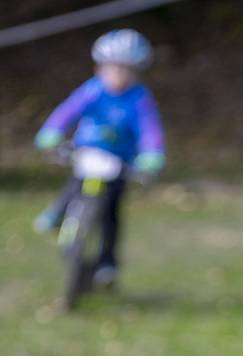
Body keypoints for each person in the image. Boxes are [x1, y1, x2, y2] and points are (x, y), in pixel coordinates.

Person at [33, 29, 165, 288]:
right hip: (88, 153)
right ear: (99, 68)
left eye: (126, 70)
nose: (119, 75)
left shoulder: (139, 99)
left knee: (111, 216)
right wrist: (50, 133)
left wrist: (152, 156)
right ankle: (57, 214)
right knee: (75, 183)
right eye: (113, 68)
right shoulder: (93, 91)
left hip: (119, 163)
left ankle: (108, 264)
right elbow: (67, 112)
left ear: (137, 72)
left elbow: (150, 131)